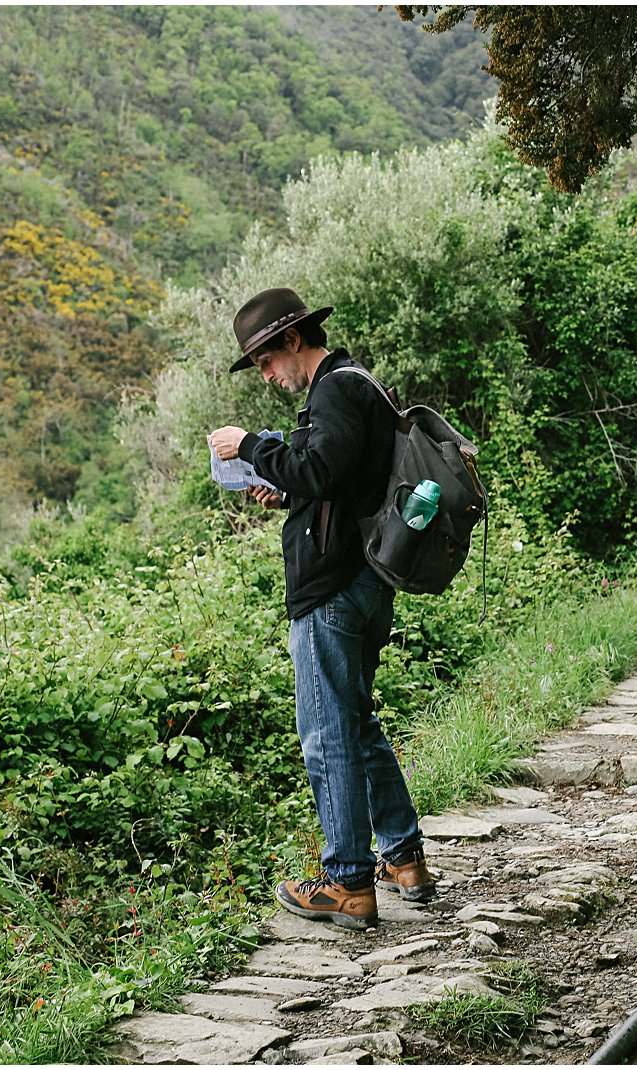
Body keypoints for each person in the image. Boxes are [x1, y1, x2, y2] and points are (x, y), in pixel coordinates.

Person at [207, 287, 435, 930]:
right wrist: (286, 494)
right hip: (368, 581)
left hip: (331, 590)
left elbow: (319, 469)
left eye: (266, 361)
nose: (267, 375)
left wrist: (251, 446)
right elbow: (337, 479)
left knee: (326, 733)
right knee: (356, 724)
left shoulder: (332, 389)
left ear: (292, 340)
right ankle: (404, 858)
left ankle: (347, 883)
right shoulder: (358, 385)